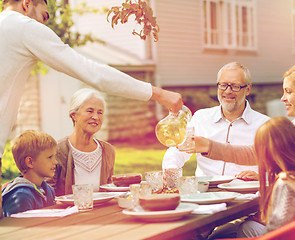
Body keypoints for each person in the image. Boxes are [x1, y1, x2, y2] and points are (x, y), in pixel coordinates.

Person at [0, 0, 182, 216]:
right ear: (26, 3)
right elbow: (91, 71)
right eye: (44, 16)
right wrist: (158, 93)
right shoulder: (24, 27)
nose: (44, 24)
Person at [189, 62, 295, 231]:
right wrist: (209, 146)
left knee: (241, 230)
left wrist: (270, 206)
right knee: (228, 232)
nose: (283, 98)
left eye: (289, 91)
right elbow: (255, 153)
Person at [210, 117, 295, 238]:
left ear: (270, 150)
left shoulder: (286, 183)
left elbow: (275, 231)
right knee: (241, 229)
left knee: (217, 237)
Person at [162, 62, 269, 177]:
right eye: (223, 85)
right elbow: (178, 149)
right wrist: (171, 169)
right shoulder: (201, 118)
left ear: (248, 89)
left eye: (235, 86)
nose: (228, 91)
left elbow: (278, 167)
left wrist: (261, 177)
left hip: (244, 193)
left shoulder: (265, 125)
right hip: (206, 192)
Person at [47, 88, 114, 196]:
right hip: (67, 212)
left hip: (102, 212)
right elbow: (48, 195)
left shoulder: (108, 151)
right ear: (74, 115)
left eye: (100, 112)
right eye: (90, 111)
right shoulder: (57, 150)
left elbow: (110, 190)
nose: (96, 117)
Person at [2, 130, 57, 217]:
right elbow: (17, 227)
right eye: (50, 157)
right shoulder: (21, 196)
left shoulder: (48, 190)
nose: (55, 162)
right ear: (30, 162)